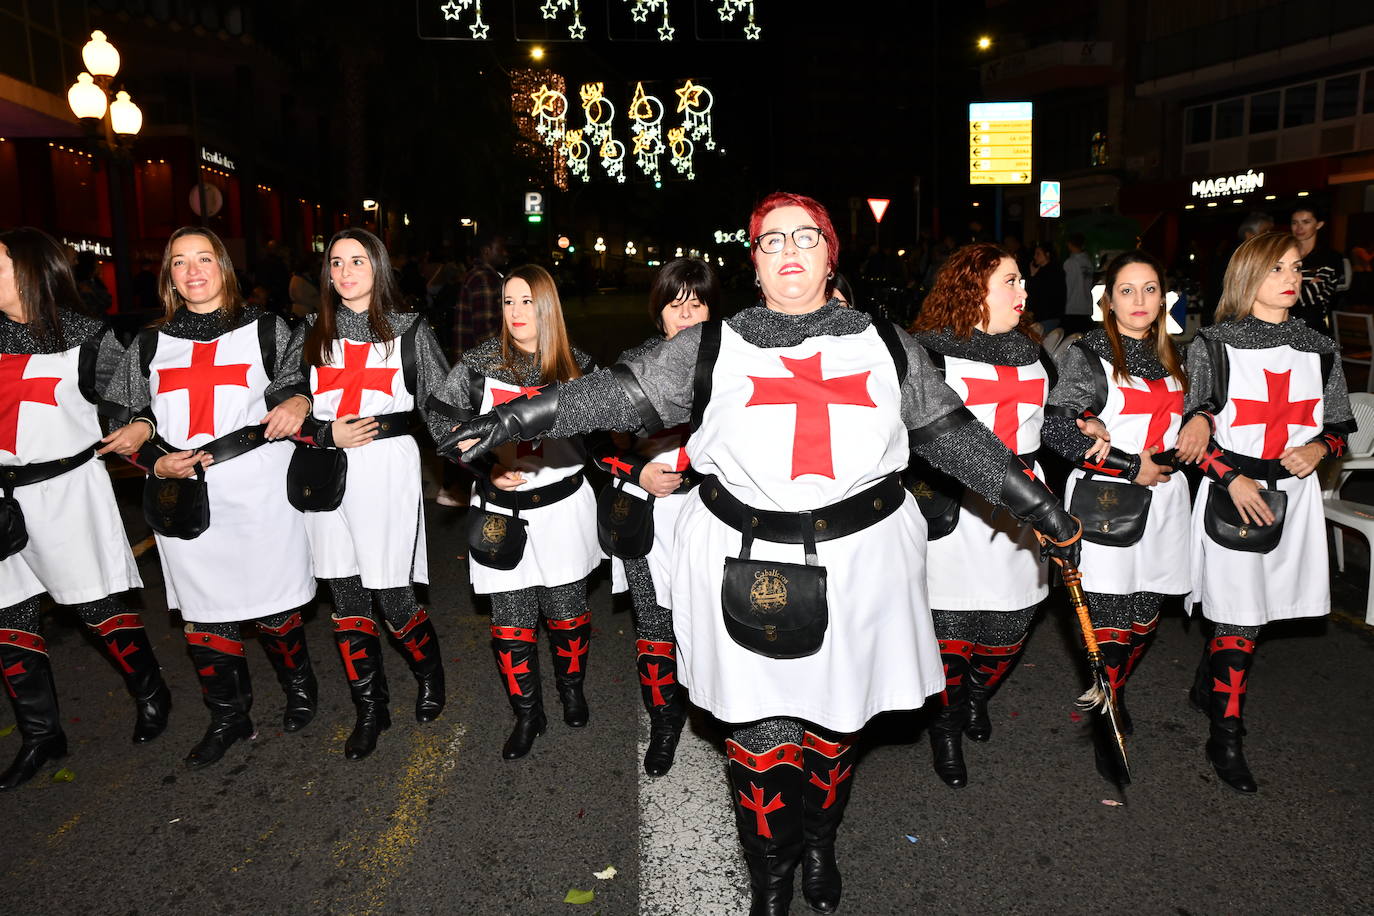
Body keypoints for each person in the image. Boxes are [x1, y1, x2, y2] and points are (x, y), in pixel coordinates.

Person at [445, 192, 1081, 916]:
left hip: (858, 563)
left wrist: (1040, 508)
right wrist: (514, 415)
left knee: (834, 730)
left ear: (829, 254)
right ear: (753, 261)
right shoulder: (713, 344)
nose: (788, 251)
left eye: (805, 237)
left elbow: (951, 434)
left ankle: (819, 841)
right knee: (759, 737)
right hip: (744, 560)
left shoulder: (882, 339)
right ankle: (770, 875)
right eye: (771, 240)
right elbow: (618, 396)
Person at [104, 227, 319, 769]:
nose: (193, 270)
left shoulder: (267, 328)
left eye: (204, 259)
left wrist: (298, 400)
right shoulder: (151, 343)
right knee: (203, 611)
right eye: (180, 262)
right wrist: (150, 456)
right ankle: (228, 714)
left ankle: (299, 686)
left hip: (257, 484)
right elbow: (125, 415)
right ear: (168, 277)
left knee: (274, 603)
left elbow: (302, 381)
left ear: (224, 267)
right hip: (184, 492)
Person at [1175, 231, 1354, 793]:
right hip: (1233, 492)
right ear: (1249, 275)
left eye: (1296, 267)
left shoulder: (1318, 345)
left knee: (1256, 613)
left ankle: (1211, 680)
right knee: (1238, 618)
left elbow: (1341, 428)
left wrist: (1318, 450)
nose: (1291, 277)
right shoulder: (1213, 344)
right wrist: (1231, 477)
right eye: (1277, 268)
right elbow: (1191, 434)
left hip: (1294, 499)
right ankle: (1225, 735)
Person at [0, 228, 171, 790]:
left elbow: (134, 400)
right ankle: (41, 734)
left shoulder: (87, 338)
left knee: (96, 607)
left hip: (65, 491)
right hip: (3, 497)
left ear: (28, 271)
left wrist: (139, 426)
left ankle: (150, 691)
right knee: (9, 619)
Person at [287, 228, 450, 760]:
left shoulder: (409, 329)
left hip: (385, 469)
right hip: (327, 467)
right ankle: (370, 707)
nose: (346, 271)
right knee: (345, 595)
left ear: (378, 267)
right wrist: (317, 430)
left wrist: (478, 462)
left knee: (392, 592)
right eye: (336, 262)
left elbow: (440, 404)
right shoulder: (312, 330)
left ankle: (429, 673)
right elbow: (283, 394)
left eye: (358, 260)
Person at [430, 264, 599, 761]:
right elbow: (443, 424)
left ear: (548, 305)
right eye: (508, 301)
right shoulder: (480, 364)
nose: (517, 312)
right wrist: (483, 468)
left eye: (528, 301)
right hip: (501, 511)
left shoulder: (578, 366)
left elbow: (611, 434)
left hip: (563, 506)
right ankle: (528, 714)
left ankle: (571, 693)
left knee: (568, 615)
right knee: (510, 624)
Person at [908, 243, 1053, 789]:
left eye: (1021, 281)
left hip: (1025, 507)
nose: (1023, 291)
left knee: (1011, 626)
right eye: (1011, 281)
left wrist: (1086, 431)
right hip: (955, 506)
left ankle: (976, 694)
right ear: (974, 289)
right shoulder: (929, 354)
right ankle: (945, 723)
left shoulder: (1038, 353)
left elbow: (1057, 421)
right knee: (951, 628)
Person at [1042, 250, 1191, 780]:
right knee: (1107, 618)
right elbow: (1057, 429)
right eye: (1126, 290)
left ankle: (1116, 688)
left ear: (1164, 297)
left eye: (1150, 289)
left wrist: (1202, 424)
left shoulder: (1179, 354)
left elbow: (1199, 412)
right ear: (1106, 300)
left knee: (1145, 616)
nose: (1139, 301)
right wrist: (1129, 464)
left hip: (1168, 503)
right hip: (1107, 502)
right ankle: (1107, 717)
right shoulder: (1087, 355)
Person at [593, 258, 719, 777]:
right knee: (654, 625)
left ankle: (719, 716)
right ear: (659, 310)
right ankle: (664, 722)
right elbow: (599, 442)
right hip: (647, 516)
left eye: (698, 302)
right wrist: (638, 469)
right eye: (675, 303)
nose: (687, 314)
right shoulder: (636, 364)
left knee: (714, 621)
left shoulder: (734, 364)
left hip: (715, 517)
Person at [1289, 207, 1343, 334]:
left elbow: (1307, 297)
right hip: (1282, 327)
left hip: (1314, 330)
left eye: (1306, 222)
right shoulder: (1284, 255)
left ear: (1319, 224)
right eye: (1294, 222)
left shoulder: (1330, 257)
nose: (1299, 228)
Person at [454, 231, 507, 355]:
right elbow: (485, 332)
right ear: (486, 251)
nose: (505, 253)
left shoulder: (480, 275)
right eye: (500, 248)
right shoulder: (483, 278)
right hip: (479, 365)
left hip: (473, 363)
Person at [1025, 242, 1066, 334]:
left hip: (1045, 315)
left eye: (1038, 254)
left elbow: (1034, 292)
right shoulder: (1056, 270)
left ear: (1047, 254)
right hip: (1054, 315)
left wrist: (1033, 276)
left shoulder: (1045, 273)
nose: (1035, 257)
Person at [1062, 233, 1095, 334]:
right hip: (1086, 306)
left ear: (1069, 244)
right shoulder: (1088, 261)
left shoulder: (1070, 262)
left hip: (1072, 306)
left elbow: (1066, 285)